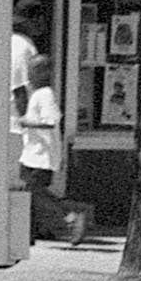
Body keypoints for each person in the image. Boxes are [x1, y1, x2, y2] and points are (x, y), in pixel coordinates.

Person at [16, 52, 92, 245]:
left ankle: (71, 214)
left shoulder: (45, 94)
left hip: (40, 154)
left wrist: (27, 123)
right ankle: (32, 232)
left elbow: (51, 121)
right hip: (32, 152)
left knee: (34, 192)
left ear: (43, 72)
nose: (29, 75)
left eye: (33, 70)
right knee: (31, 192)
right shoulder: (38, 94)